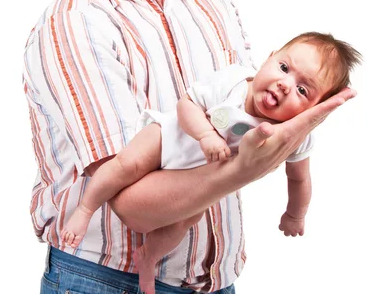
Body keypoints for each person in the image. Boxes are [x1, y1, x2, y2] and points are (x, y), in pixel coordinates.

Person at [23, 0, 356, 294]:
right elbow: (132, 205)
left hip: (216, 281)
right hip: (104, 281)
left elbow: (244, 117)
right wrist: (241, 168)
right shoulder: (76, 26)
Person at [60, 31, 361, 294]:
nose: (284, 84)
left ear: (317, 111)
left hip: (195, 177)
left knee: (185, 220)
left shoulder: (294, 136)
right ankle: (86, 209)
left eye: (303, 90)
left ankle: (149, 257)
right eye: (283, 67)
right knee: (127, 165)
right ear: (269, 58)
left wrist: (296, 214)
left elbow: (299, 179)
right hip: (171, 139)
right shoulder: (234, 83)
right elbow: (186, 104)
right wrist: (205, 135)